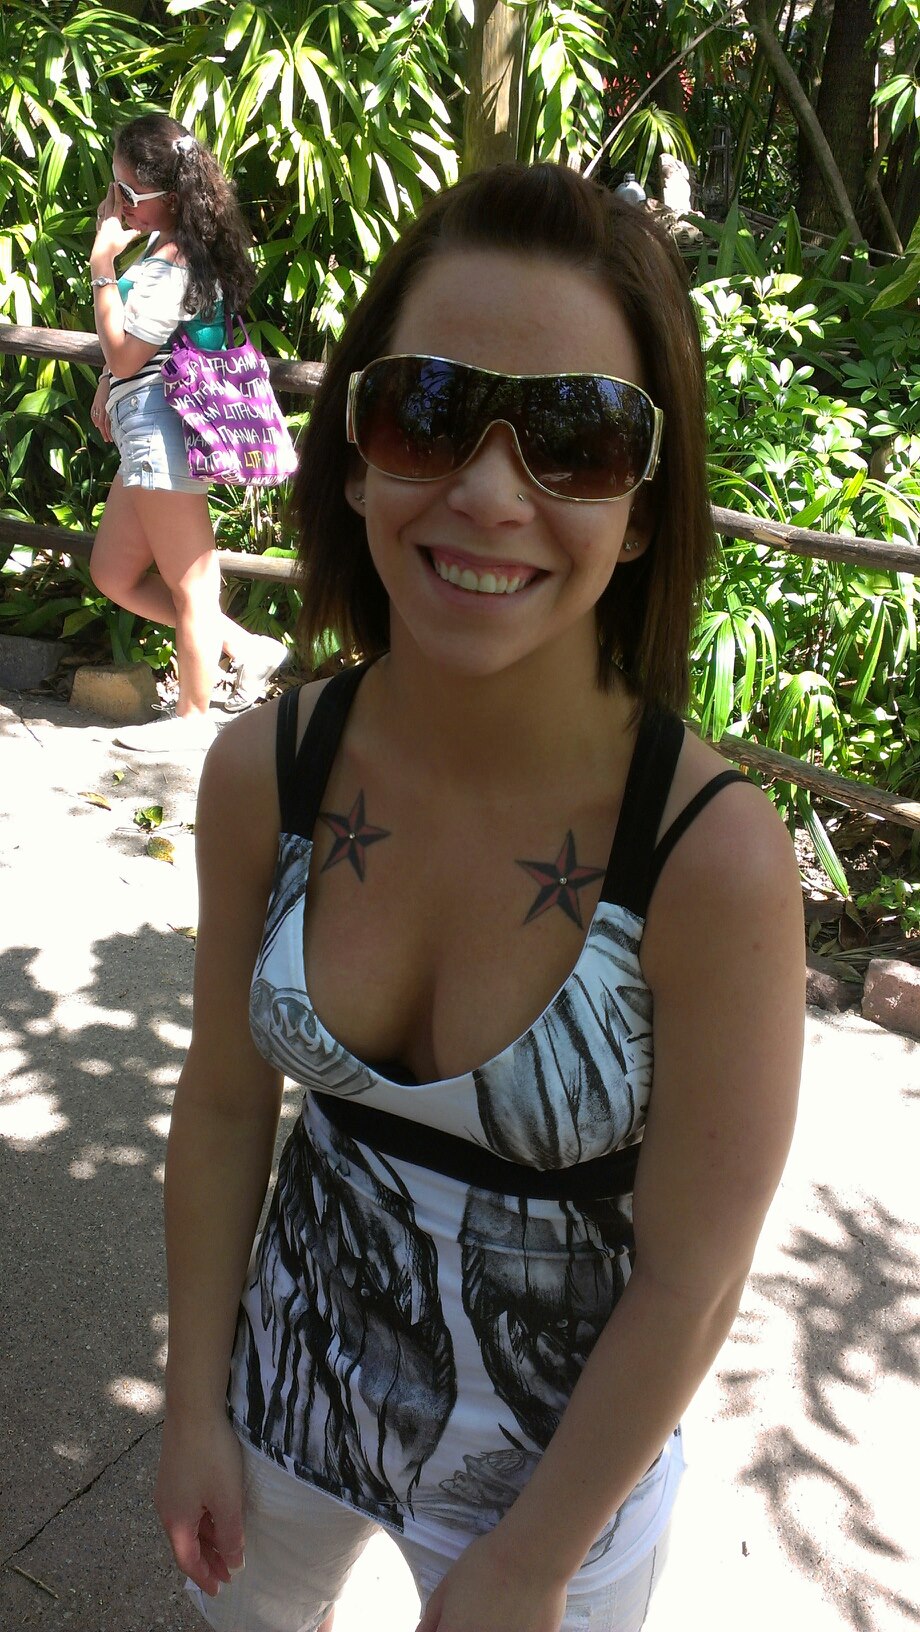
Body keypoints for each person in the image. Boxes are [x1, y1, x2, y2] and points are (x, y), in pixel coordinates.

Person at [154, 163, 805, 1632]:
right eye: (428, 413)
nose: (492, 493)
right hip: (283, 1405)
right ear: (355, 457)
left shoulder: (707, 858)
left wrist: (536, 1559)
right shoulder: (269, 770)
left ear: (641, 508)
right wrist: (193, 1402)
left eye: (575, 439)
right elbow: (224, 1104)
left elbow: (692, 1278)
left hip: (561, 1486)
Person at [88, 113, 288, 752]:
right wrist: (107, 385)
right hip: (142, 423)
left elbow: (127, 354)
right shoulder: (165, 245)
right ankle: (246, 647)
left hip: (160, 426)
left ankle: (193, 719)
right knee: (114, 573)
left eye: (129, 193)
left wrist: (101, 264)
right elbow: (138, 349)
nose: (118, 204)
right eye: (115, 188)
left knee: (194, 585)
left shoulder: (174, 260)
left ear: (170, 197)